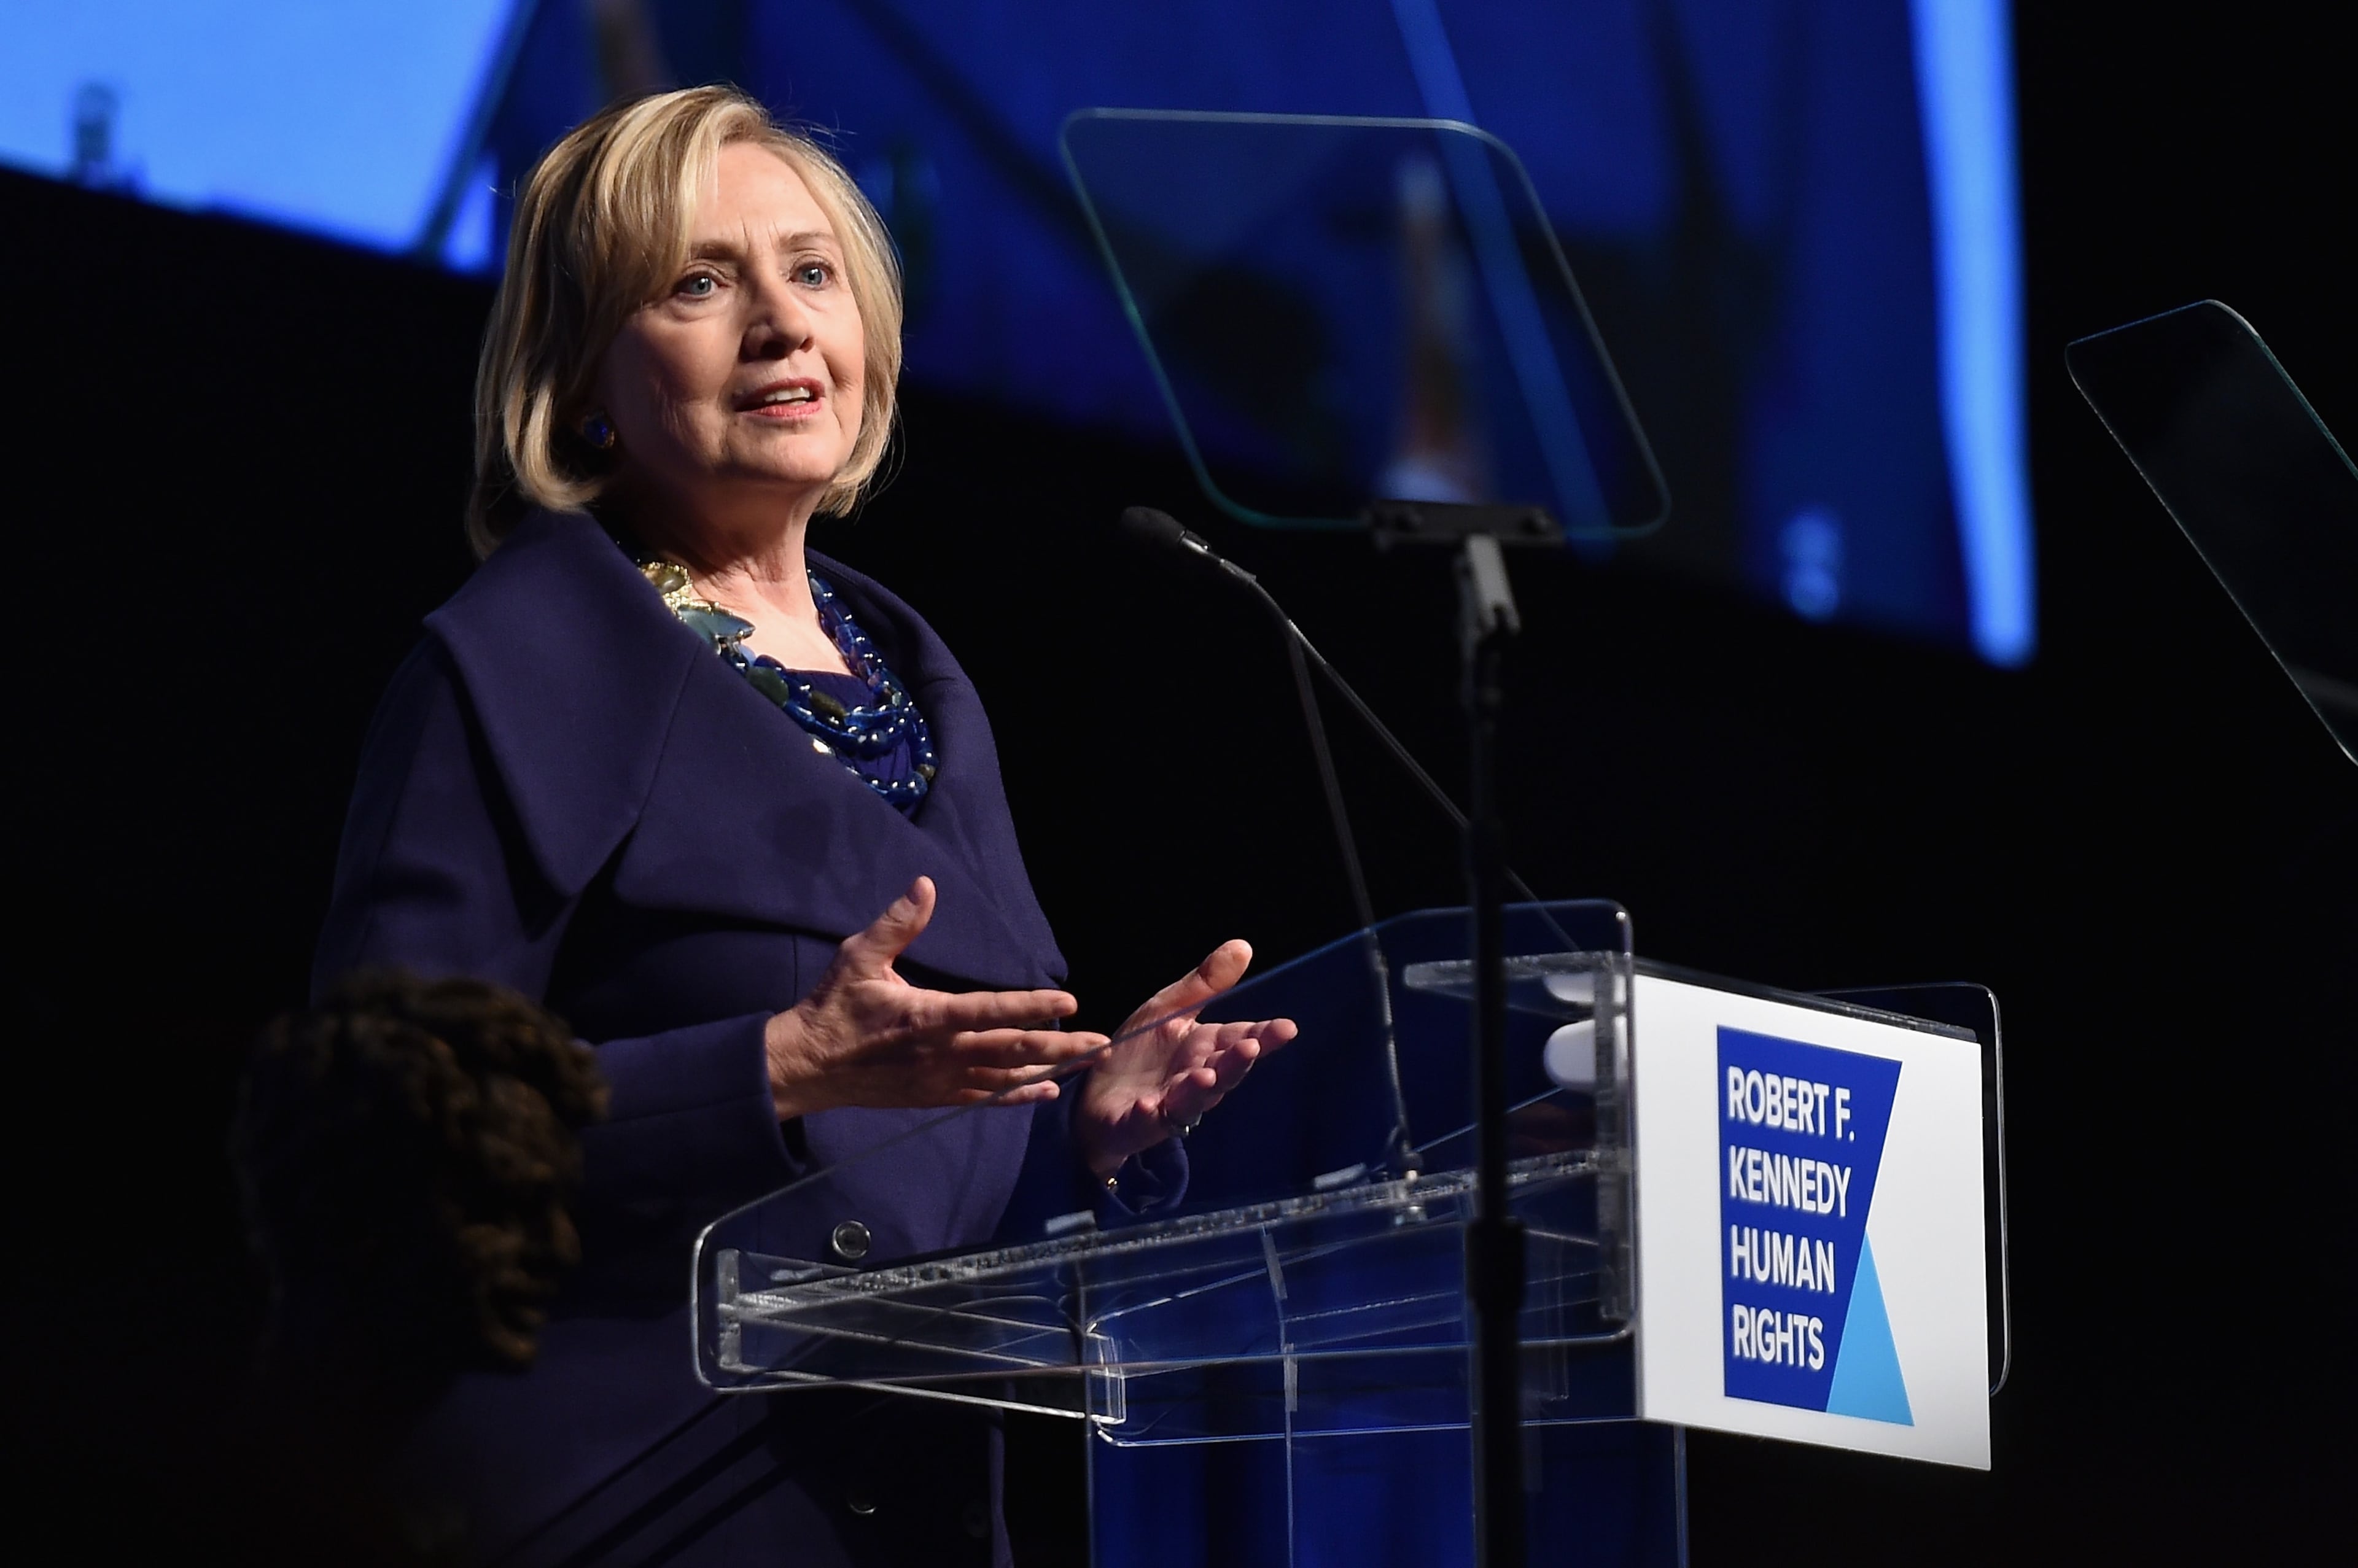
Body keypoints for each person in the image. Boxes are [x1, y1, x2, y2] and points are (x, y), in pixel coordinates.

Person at [313, 85, 1294, 1566]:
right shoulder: (519, 664)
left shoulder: (919, 683)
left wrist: (1076, 1139)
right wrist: (767, 1068)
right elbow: (370, 1129)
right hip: (614, 1505)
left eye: (812, 273)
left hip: (901, 1504)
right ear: (583, 373)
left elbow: (912, 1189)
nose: (779, 323)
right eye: (702, 283)